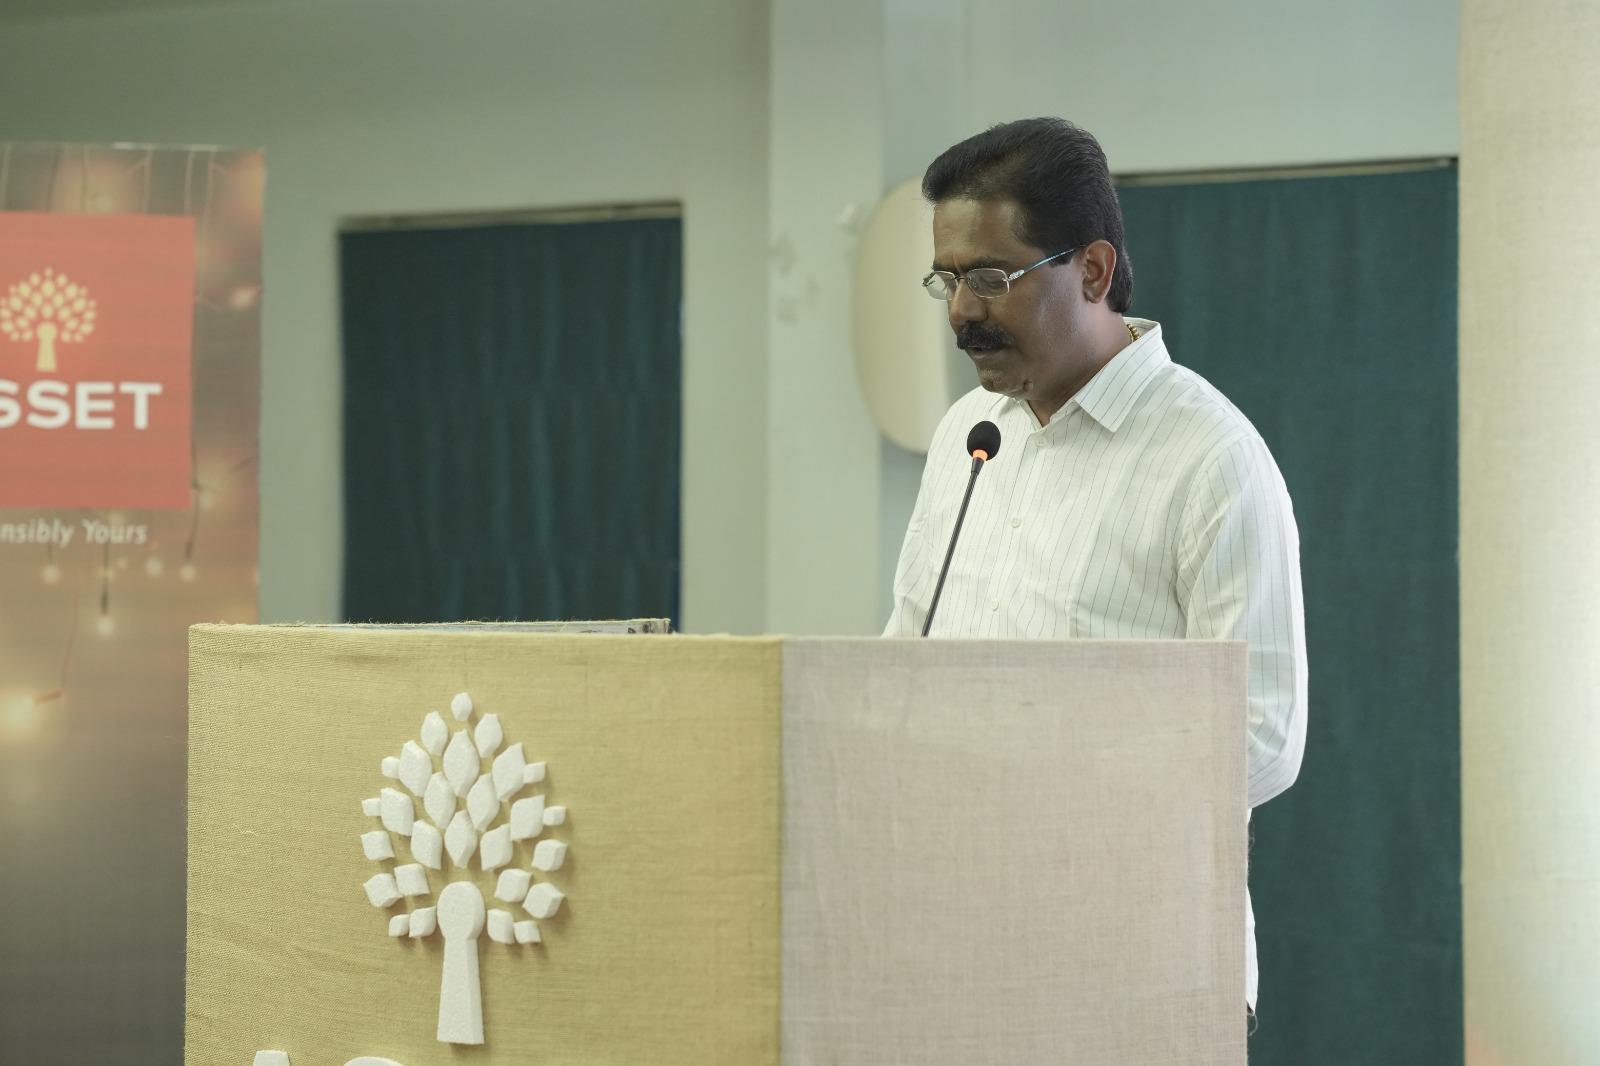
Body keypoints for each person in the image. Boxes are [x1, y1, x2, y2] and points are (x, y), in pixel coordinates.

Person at [883, 117, 1308, 1016]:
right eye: (948, 281)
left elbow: (1264, 736)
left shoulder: (1211, 458)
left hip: (1137, 960)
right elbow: (905, 657)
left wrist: (1038, 774)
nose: (961, 312)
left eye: (991, 278)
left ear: (1093, 271)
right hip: (957, 935)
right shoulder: (968, 436)